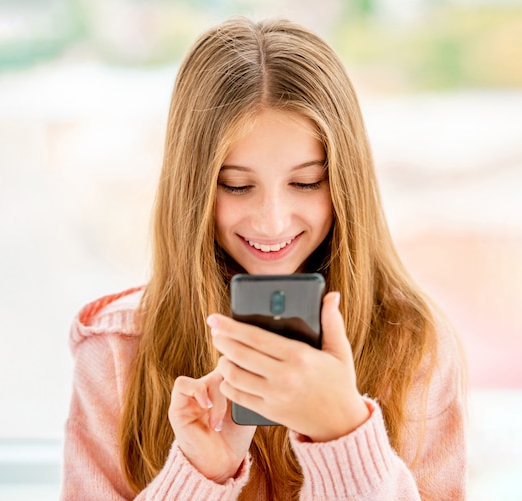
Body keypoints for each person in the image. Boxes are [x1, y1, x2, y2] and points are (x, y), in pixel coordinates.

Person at [60, 16, 466, 501]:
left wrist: (345, 439)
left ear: (344, 183)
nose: (272, 222)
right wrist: (197, 475)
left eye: (306, 181)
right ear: (192, 188)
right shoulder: (115, 351)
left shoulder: (412, 345)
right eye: (237, 185)